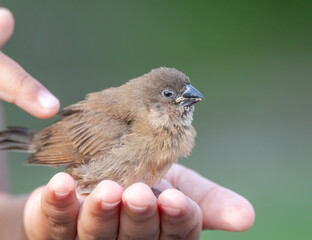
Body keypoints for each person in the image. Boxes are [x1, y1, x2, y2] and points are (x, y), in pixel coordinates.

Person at [0, 7, 255, 239]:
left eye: (184, 92)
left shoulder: (168, 135)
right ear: (148, 104)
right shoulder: (125, 123)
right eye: (169, 95)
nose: (185, 98)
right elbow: (71, 151)